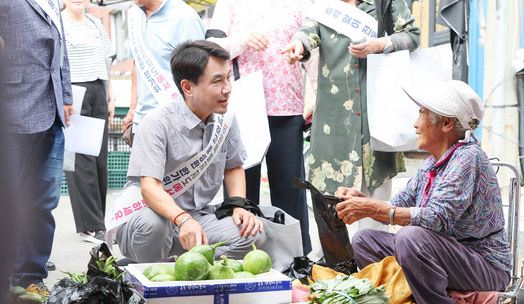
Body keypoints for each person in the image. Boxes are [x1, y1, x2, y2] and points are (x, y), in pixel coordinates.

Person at [334, 80, 512, 304]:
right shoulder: (432, 163)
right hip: (445, 257)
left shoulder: (468, 157)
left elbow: (437, 218)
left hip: (483, 264)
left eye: (421, 115)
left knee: (410, 238)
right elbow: (400, 204)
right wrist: (364, 201)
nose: (415, 123)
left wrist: (376, 209)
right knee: (364, 240)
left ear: (447, 123)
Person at [115, 40, 267, 263]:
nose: (228, 88)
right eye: (217, 81)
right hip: (150, 217)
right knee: (154, 226)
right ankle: (147, 269)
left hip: (198, 217)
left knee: (253, 233)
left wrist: (237, 205)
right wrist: (182, 219)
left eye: (228, 77)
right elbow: (150, 189)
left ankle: (182, 265)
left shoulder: (226, 119)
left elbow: (233, 166)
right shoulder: (156, 124)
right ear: (188, 87)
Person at [282, 0, 419, 231]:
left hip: (376, 118)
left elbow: (412, 36)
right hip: (333, 121)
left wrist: (381, 44)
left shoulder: (385, 2)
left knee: (374, 217)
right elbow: (308, 31)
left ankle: (372, 263)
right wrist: (298, 44)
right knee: (331, 210)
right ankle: (335, 264)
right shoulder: (326, 6)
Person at [206, 0, 315, 255]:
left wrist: (318, 96)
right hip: (243, 110)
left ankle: (298, 259)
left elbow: (314, 48)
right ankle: (241, 255)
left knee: (291, 193)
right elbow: (211, 48)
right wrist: (242, 39)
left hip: (286, 108)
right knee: (242, 195)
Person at [0, 0, 75, 295]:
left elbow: (61, 51)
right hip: (6, 112)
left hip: (50, 111)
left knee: (42, 202)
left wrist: (65, 96)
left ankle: (30, 276)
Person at [62, 0, 115, 244]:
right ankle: (90, 225)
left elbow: (107, 62)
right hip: (74, 93)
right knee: (81, 160)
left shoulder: (96, 23)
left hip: (97, 90)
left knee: (99, 159)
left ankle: (99, 221)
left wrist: (110, 96)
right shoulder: (59, 23)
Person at [122, 0, 205, 141]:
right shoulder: (134, 15)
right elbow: (136, 64)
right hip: (141, 122)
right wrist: (132, 108)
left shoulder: (185, 17)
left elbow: (199, 75)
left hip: (175, 125)